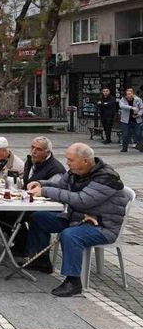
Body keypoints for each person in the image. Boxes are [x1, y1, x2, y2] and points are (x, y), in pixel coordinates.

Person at [25, 143, 129, 297]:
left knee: (70, 235)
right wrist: (41, 183)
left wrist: (45, 191)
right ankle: (40, 261)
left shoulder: (106, 177)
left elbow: (82, 201)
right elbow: (60, 186)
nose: (67, 163)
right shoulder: (76, 172)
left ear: (85, 161)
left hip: (102, 225)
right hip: (77, 219)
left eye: (70, 160)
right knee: (38, 217)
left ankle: (73, 282)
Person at [118, 86, 143, 152]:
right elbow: (122, 106)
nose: (129, 94)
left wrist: (139, 114)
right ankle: (124, 148)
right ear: (126, 93)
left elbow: (141, 108)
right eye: (128, 93)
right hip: (125, 120)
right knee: (125, 135)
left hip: (136, 120)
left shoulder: (138, 99)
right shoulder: (123, 99)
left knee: (138, 134)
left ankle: (141, 147)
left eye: (131, 92)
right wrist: (132, 107)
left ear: (133, 93)